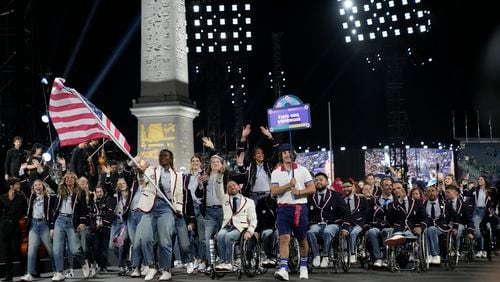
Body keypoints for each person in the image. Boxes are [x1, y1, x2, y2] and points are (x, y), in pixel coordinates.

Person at [135, 149, 183, 281]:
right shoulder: (152, 170)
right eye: (160, 156)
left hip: (166, 209)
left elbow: (179, 194)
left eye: (165, 156)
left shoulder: (177, 175)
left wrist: (178, 209)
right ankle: (151, 266)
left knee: (165, 240)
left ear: (171, 159)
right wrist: (140, 173)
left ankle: (166, 269)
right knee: (145, 239)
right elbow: (142, 182)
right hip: (149, 207)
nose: (162, 158)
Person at [271, 144, 315, 281]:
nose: (287, 155)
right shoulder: (276, 172)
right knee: (284, 238)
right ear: (281, 155)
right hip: (283, 208)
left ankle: (303, 266)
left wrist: (300, 192)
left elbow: (312, 188)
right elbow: (274, 192)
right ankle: (284, 269)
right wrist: (289, 185)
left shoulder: (303, 170)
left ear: (293, 154)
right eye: (284, 153)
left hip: (300, 208)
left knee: (302, 239)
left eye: (289, 152)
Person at [51, 172, 90, 281]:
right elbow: (49, 180)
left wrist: (82, 222)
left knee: (74, 249)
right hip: (59, 220)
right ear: (64, 180)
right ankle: (59, 272)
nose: (69, 179)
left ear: (75, 180)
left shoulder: (80, 192)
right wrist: (40, 169)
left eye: (71, 178)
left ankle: (84, 262)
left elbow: (83, 208)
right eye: (66, 178)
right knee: (57, 249)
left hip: (72, 221)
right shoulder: (59, 190)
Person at [214, 178, 257, 270]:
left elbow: (253, 218)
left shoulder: (249, 201)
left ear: (239, 187)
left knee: (228, 237)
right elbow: (217, 187)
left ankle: (229, 262)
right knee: (220, 235)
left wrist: (250, 231)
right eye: (229, 186)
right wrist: (220, 175)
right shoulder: (224, 198)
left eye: (233, 185)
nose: (231, 187)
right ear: (226, 190)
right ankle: (222, 261)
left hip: (241, 228)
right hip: (227, 226)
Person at [307, 173, 349, 268]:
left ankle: (326, 256)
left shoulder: (336, 195)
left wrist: (345, 227)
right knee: (310, 232)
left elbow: (345, 212)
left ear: (327, 182)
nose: (318, 182)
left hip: (333, 223)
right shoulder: (310, 197)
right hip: (316, 224)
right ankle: (316, 255)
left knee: (327, 231)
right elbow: (307, 214)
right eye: (316, 180)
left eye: (320, 180)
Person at [20, 180, 55, 282]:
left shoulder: (48, 198)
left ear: (43, 186)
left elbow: (52, 213)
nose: (37, 186)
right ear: (33, 187)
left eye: (39, 184)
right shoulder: (31, 197)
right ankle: (30, 273)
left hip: (44, 225)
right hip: (34, 226)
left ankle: (57, 271)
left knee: (51, 250)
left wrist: (52, 227)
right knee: (31, 250)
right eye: (35, 185)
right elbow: (23, 184)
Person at [235, 124, 279, 201]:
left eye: (262, 153)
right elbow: (240, 154)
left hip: (268, 196)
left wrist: (270, 137)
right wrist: (243, 137)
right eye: (258, 153)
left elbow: (278, 151)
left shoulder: (269, 164)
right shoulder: (250, 165)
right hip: (253, 197)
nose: (261, 155)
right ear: (254, 156)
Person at [0, 177, 28, 281]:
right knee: (7, 252)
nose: (19, 186)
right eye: (17, 184)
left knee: (16, 249)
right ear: (11, 186)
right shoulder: (2, 198)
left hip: (17, 225)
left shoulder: (21, 197)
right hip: (6, 226)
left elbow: (26, 210)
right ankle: (9, 276)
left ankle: (25, 271)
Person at [385, 181, 426, 246]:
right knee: (397, 234)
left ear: (404, 189)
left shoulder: (417, 202)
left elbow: (425, 217)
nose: (396, 191)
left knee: (408, 235)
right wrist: (400, 202)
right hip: (398, 230)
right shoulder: (392, 205)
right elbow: (389, 219)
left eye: (399, 188)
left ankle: (406, 237)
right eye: (394, 189)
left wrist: (421, 227)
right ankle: (400, 238)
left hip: (413, 229)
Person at [366, 177, 394, 267]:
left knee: (386, 232)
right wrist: (366, 226)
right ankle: (378, 258)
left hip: (391, 227)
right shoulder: (374, 200)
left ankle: (386, 258)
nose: (389, 187)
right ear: (381, 187)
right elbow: (368, 215)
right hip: (377, 226)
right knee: (371, 232)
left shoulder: (396, 201)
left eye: (390, 185)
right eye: (386, 185)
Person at [421, 185, 452, 265]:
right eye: (429, 191)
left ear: (437, 192)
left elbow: (454, 215)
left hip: (442, 227)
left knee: (431, 229)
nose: (431, 193)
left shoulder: (444, 203)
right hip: (428, 227)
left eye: (433, 191)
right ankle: (428, 255)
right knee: (425, 230)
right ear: (426, 194)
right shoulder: (423, 205)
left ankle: (436, 255)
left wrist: (454, 227)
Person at [342, 179, 369, 263]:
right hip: (346, 224)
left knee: (353, 233)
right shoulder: (341, 200)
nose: (346, 189)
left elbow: (366, 212)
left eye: (348, 186)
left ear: (352, 187)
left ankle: (352, 253)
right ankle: (346, 253)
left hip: (358, 224)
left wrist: (365, 223)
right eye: (344, 187)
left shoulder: (361, 199)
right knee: (344, 233)